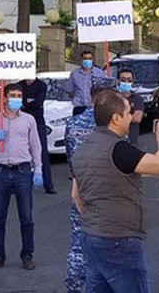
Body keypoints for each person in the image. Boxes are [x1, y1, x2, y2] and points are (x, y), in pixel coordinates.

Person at [72, 90, 159, 292]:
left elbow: (76, 195)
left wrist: (97, 220)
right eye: (129, 112)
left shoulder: (82, 149)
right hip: (119, 240)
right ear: (116, 118)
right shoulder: (119, 149)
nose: (132, 117)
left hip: (92, 236)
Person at [0, 83, 42, 271]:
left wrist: (38, 169)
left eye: (19, 95)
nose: (16, 98)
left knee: (26, 216)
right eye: (12, 95)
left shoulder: (28, 120)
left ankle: (27, 255)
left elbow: (35, 146)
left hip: (22, 171)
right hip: (0, 171)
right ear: (5, 98)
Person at [64, 82, 114, 293]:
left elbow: (69, 157)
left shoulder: (74, 123)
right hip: (107, 192)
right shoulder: (112, 125)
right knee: (108, 244)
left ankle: (75, 286)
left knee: (79, 243)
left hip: (81, 187)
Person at [18, 78, 56, 194]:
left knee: (42, 152)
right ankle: (19, 185)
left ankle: (48, 184)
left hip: (38, 121)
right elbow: (21, 102)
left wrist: (26, 103)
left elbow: (38, 102)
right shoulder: (19, 85)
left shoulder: (41, 85)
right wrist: (28, 102)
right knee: (21, 151)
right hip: (21, 121)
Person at [66, 51, 104, 116]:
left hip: (95, 108)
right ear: (81, 59)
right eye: (85, 58)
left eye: (89, 58)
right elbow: (70, 91)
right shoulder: (74, 74)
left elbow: (104, 89)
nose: (87, 60)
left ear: (93, 59)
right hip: (79, 108)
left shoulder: (100, 73)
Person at [116, 69, 144, 144]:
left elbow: (137, 118)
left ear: (133, 81)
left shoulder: (137, 99)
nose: (126, 82)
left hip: (131, 140)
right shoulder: (113, 98)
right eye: (123, 80)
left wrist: (117, 117)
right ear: (118, 81)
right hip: (114, 140)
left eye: (129, 80)